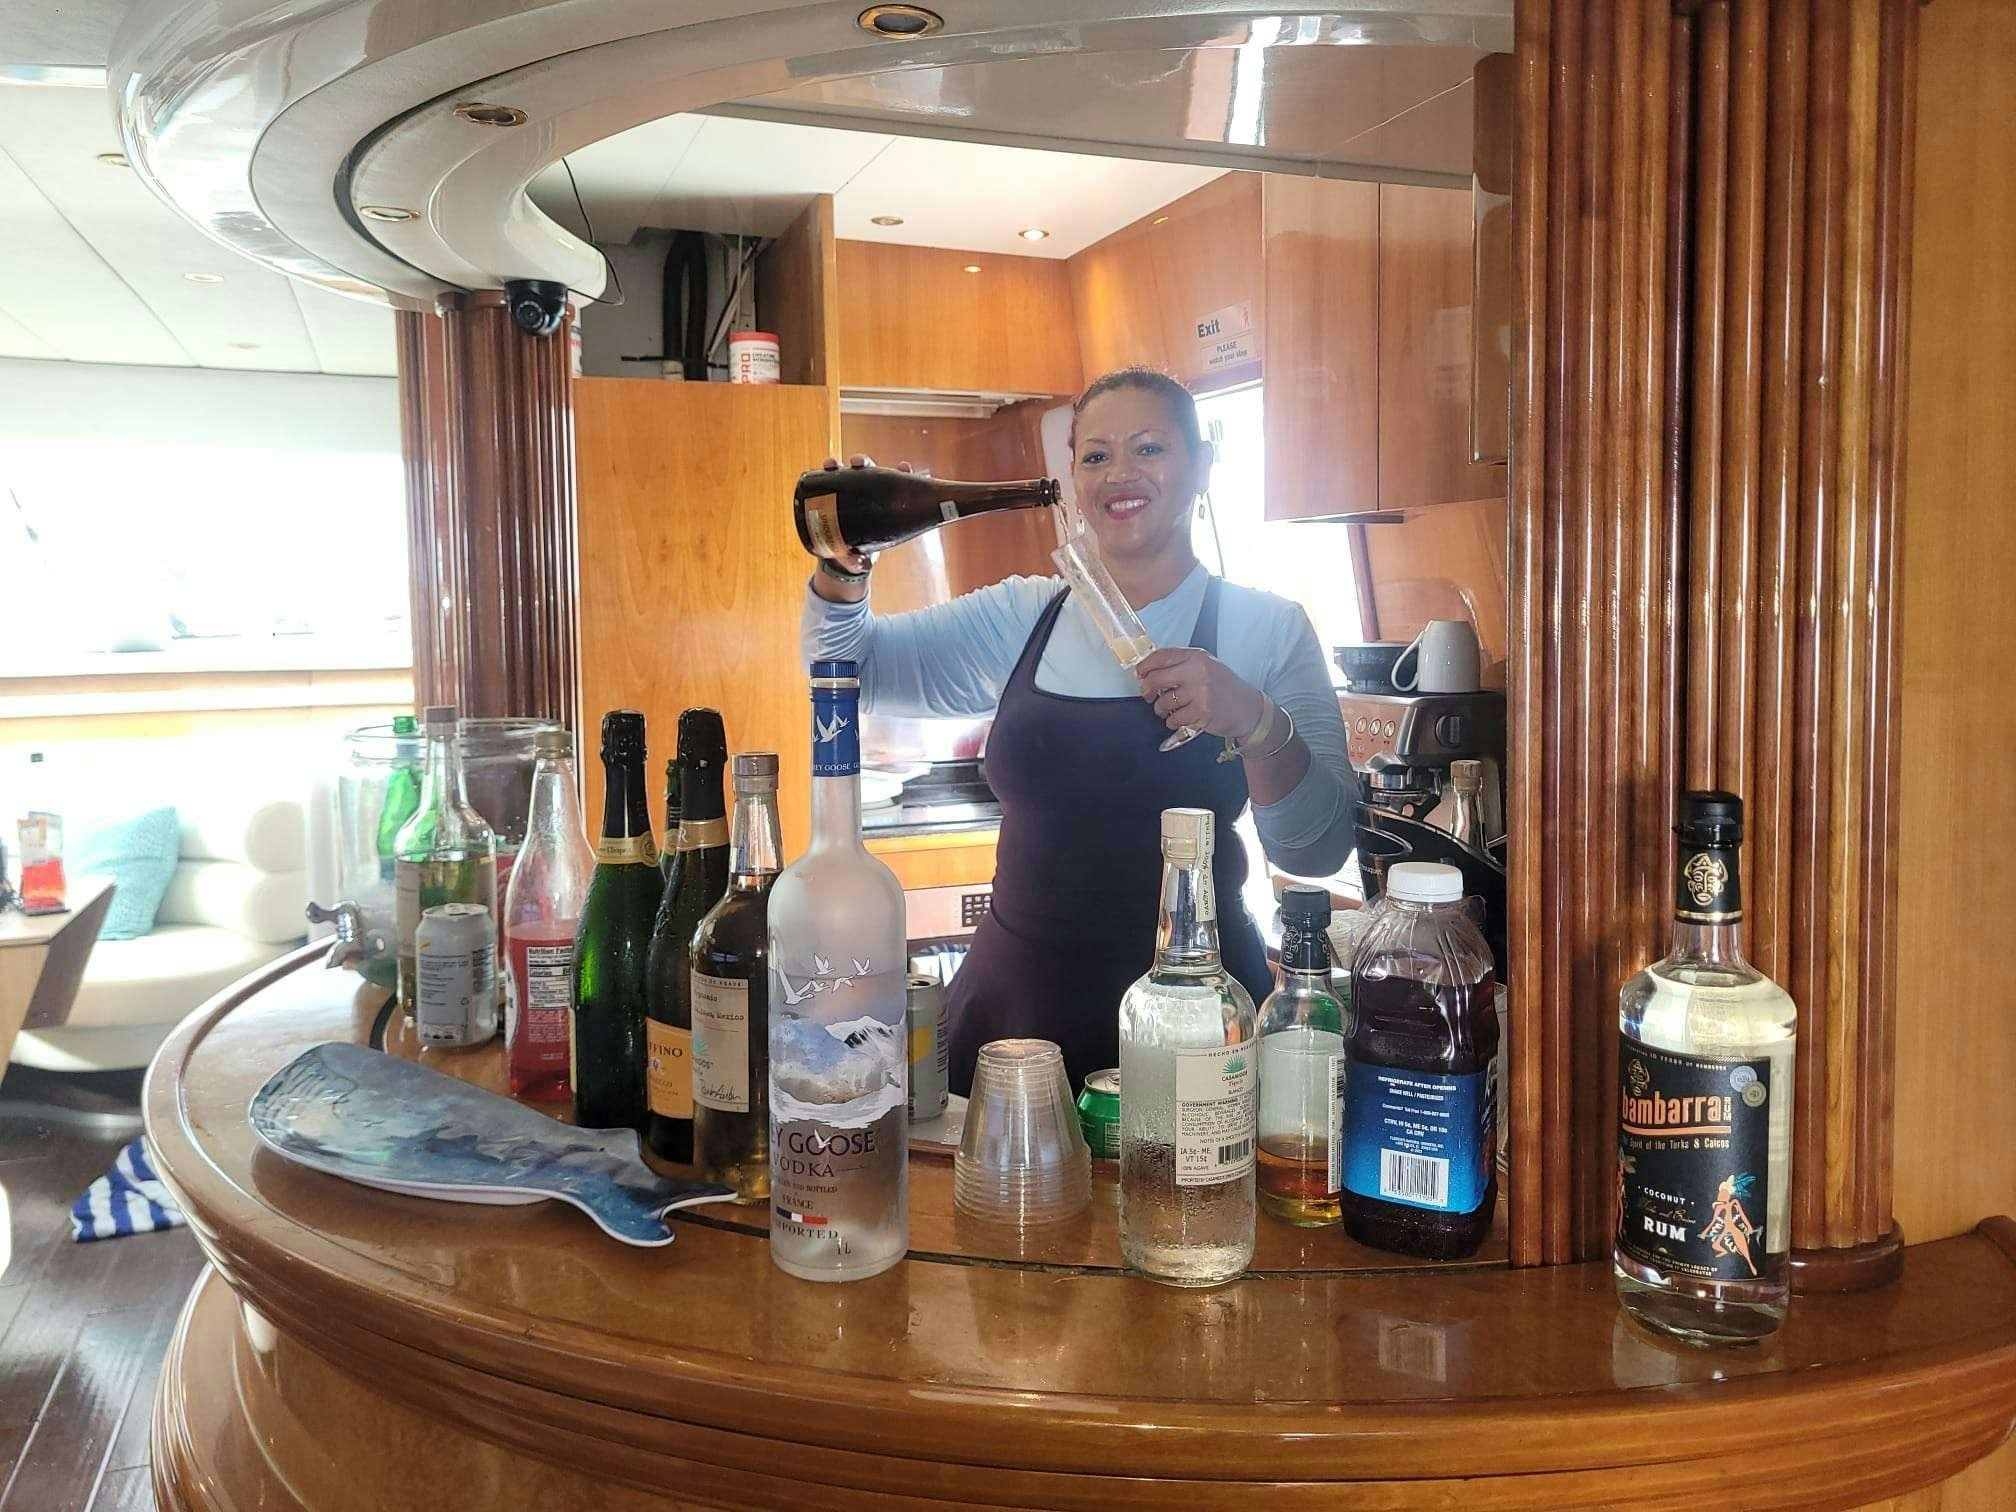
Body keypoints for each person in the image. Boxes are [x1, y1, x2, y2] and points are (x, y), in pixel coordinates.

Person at [803, 367, 1357, 1094]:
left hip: (1197, 1024)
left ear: (1202, 466)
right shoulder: (1023, 613)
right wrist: (844, 572)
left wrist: (1257, 722)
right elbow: (845, 677)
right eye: (1095, 455)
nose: (1119, 474)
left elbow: (1317, 848)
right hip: (1014, 1019)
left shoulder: (1267, 628)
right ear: (1071, 478)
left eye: (1149, 449)